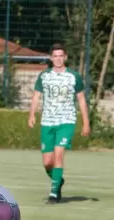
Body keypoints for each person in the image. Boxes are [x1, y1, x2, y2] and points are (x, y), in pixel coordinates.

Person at [28, 43, 90, 204]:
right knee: (47, 162)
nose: (58, 59)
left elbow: (81, 100)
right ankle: (58, 180)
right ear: (51, 58)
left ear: (65, 57)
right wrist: (32, 115)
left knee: (58, 154)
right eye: (55, 56)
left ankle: (54, 193)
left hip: (66, 121)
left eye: (61, 56)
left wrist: (86, 122)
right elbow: (36, 96)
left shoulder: (73, 76)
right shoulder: (44, 76)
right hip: (48, 122)